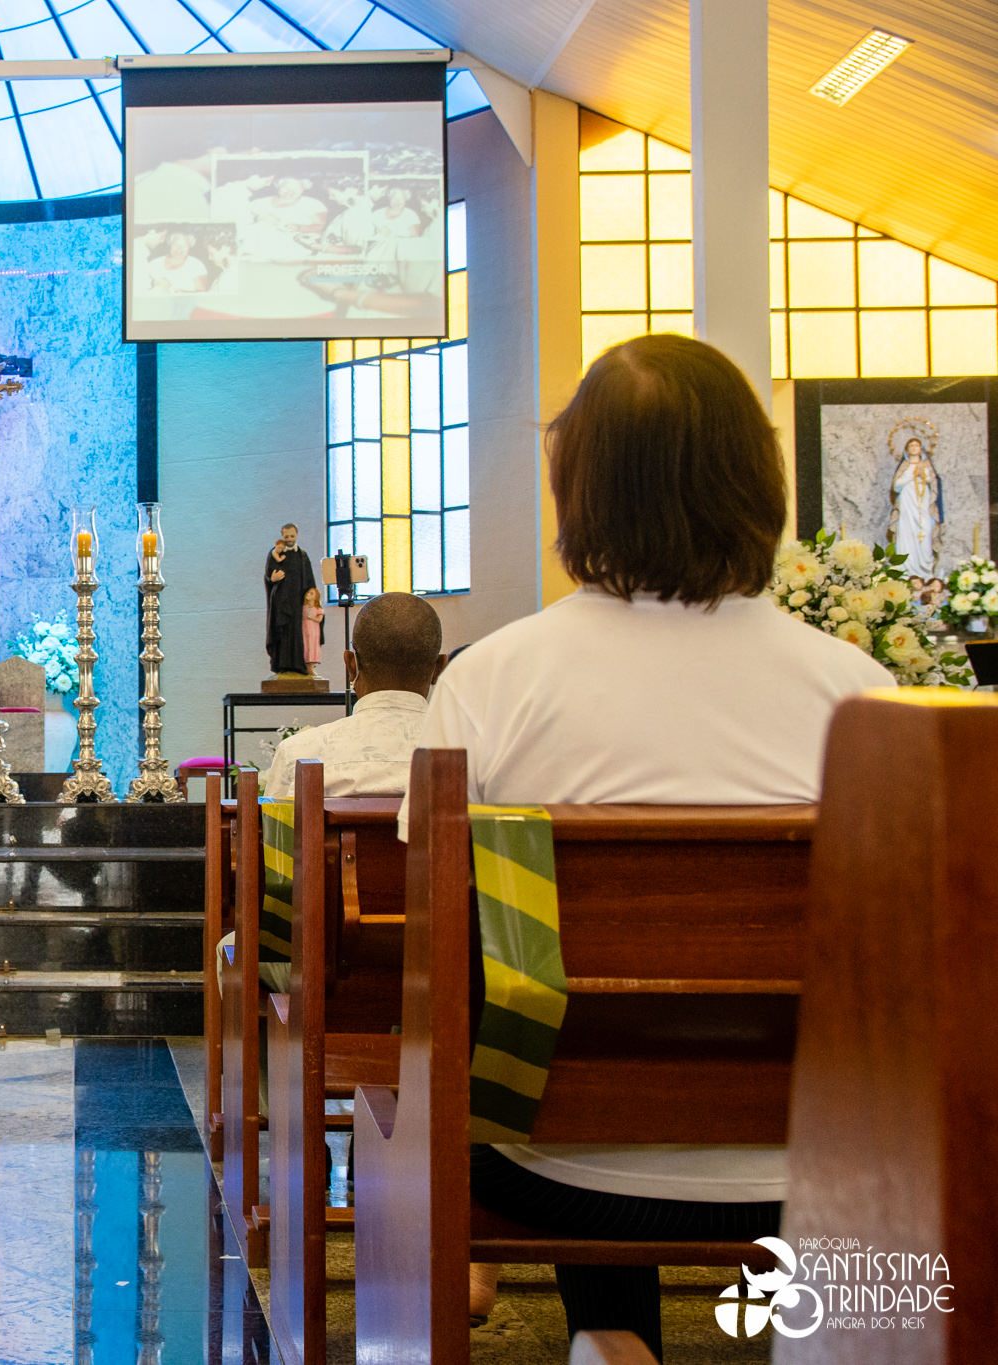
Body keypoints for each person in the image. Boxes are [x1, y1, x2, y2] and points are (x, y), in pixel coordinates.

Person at [400, 333, 893, 1356]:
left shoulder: (491, 681)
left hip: (556, 1167)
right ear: (756, 480)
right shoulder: (858, 691)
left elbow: (432, 942)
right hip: (823, 1158)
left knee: (543, 1054)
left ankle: (612, 1335)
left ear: (574, 485)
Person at [260, 591, 442, 800]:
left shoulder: (299, 754)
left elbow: (273, 823)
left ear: (351, 666)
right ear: (439, 669)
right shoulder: (469, 753)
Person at [264, 524, 317, 674]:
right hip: (280, 601)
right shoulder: (275, 553)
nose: (289, 539)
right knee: (281, 631)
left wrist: (312, 599)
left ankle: (299, 666)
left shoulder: (302, 555)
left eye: (292, 536)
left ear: (296, 535)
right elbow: (268, 574)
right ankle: (281, 666)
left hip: (298, 601)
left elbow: (309, 579)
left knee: (299, 632)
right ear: (282, 536)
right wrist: (272, 578)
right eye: (286, 536)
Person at [888, 433, 944, 578]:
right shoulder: (905, 467)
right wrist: (911, 474)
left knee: (926, 532)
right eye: (911, 445)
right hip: (907, 506)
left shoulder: (927, 466)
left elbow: (934, 484)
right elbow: (896, 487)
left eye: (916, 445)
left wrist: (923, 474)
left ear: (921, 449)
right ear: (907, 449)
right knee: (906, 534)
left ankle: (926, 572)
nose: (914, 448)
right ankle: (906, 572)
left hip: (924, 505)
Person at [144, 232, 211, 293]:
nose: (179, 249)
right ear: (170, 245)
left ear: (190, 247)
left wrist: (178, 292)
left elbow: (201, 294)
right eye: (176, 245)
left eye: (184, 246)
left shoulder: (196, 265)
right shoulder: (154, 264)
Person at [301, 586, 325, 669]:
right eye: (308, 592)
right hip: (304, 630)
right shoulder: (303, 608)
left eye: (311, 593)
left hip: (313, 631)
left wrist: (311, 617)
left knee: (312, 646)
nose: (308, 594)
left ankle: (311, 664)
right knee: (305, 645)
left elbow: (319, 619)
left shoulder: (317, 608)